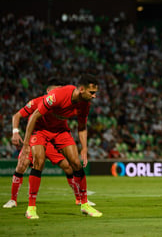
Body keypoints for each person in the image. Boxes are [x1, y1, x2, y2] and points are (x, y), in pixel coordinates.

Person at [3, 79, 95, 208]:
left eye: (60, 89)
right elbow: (17, 116)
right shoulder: (38, 102)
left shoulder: (64, 103)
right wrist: (15, 132)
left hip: (55, 139)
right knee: (22, 165)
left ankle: (80, 199)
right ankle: (13, 199)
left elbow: (80, 124)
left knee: (69, 167)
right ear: (48, 91)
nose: (57, 92)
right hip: (38, 136)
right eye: (55, 89)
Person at [20, 74, 102, 219]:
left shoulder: (85, 104)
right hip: (41, 130)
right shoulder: (58, 96)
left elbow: (82, 126)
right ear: (82, 89)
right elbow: (34, 117)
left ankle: (84, 205)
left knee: (76, 163)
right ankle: (31, 208)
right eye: (92, 92)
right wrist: (26, 145)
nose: (94, 96)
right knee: (38, 162)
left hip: (60, 131)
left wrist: (84, 148)